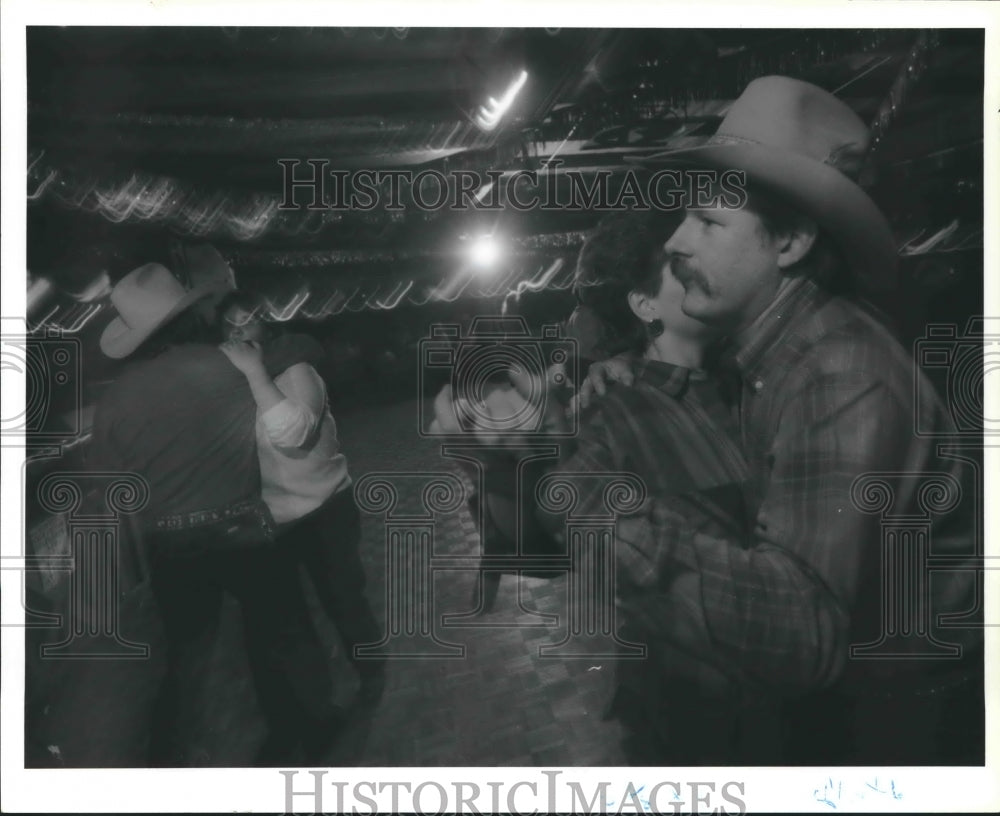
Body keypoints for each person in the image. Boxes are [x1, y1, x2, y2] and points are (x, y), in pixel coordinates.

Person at [581, 76, 983, 764]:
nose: (676, 242)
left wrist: (590, 507)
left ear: (791, 241)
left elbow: (800, 637)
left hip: (906, 724)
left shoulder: (841, 375)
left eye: (708, 222)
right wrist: (631, 375)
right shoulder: (760, 355)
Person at [433, 212, 766, 764]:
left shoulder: (744, 372)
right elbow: (546, 546)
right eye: (679, 265)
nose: (704, 265)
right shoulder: (612, 406)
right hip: (693, 708)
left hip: (777, 692)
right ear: (644, 305)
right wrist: (506, 469)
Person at [86, 263, 343, 766]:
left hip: (171, 545)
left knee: (183, 660)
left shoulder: (114, 400)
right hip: (242, 528)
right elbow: (295, 355)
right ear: (188, 316)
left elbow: (111, 491)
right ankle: (306, 730)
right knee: (281, 635)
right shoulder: (230, 367)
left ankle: (165, 761)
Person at [218, 291, 386, 707]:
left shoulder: (295, 369)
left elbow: (293, 434)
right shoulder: (229, 383)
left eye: (248, 320)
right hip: (275, 519)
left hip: (326, 506)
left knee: (343, 600)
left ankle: (372, 674)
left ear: (266, 325)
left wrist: (256, 374)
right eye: (230, 325)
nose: (240, 331)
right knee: (294, 619)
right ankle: (320, 697)